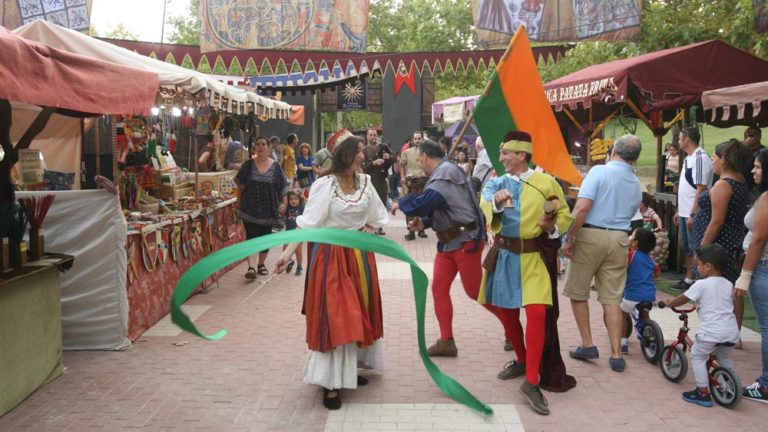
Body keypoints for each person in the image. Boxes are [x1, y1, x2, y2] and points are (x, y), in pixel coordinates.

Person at [274, 135, 389, 410]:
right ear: (344, 154)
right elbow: (309, 224)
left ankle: (347, 372)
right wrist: (288, 254)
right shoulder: (325, 185)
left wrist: (370, 230)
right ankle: (330, 383)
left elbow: (376, 216)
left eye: (363, 151)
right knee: (337, 315)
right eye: (358, 151)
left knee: (359, 312)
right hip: (331, 257)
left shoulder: (366, 183)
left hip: (360, 257)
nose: (363, 156)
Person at [479, 130, 576, 415]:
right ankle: (522, 359)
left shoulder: (547, 183)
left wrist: (551, 227)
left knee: (536, 314)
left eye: (506, 153)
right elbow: (485, 204)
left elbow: (563, 217)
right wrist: (496, 201)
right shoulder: (495, 183)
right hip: (505, 258)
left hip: (533, 258)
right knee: (507, 313)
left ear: (522, 155)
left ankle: (531, 381)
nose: (501, 158)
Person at [562, 134, 643, 373]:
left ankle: (588, 343)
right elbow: (632, 213)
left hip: (591, 235)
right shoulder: (635, 182)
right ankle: (616, 353)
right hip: (619, 237)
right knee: (612, 298)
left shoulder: (599, 172)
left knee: (578, 291)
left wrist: (569, 236)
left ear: (613, 150)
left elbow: (582, 207)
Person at [661, 244, 740, 408]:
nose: (697, 268)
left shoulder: (701, 285)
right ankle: (730, 381)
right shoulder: (728, 283)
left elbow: (683, 299)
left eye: (698, 265)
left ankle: (702, 392)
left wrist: (670, 303)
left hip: (712, 333)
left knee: (698, 356)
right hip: (731, 332)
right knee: (723, 356)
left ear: (708, 267)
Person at [691, 140, 750, 336]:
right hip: (732, 240)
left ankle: (714, 331)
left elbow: (717, 221)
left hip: (718, 245)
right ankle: (735, 333)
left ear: (724, 159)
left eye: (714, 157)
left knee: (713, 290)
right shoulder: (740, 180)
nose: (712, 161)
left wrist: (702, 249)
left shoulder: (723, 185)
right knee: (732, 289)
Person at [734, 147, 768, 403]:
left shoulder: (766, 199)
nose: (753, 170)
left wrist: (745, 275)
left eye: (757, 166)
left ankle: (765, 385)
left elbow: (758, 240)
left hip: (763, 267)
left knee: (766, 327)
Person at [235, 136, 288, 280]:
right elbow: (239, 185)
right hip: (249, 208)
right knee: (252, 237)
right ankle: (251, 268)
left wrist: (284, 202)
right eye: (258, 144)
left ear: (269, 147)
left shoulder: (276, 166)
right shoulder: (248, 165)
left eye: (263, 144)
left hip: (269, 209)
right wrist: (238, 203)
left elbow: (283, 186)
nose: (260, 147)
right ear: (254, 148)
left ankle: (261, 264)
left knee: (265, 238)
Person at [673, 127, 713, 291]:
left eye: (680, 138)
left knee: (696, 245)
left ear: (687, 139)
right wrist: (679, 210)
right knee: (686, 246)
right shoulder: (688, 158)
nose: (678, 141)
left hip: (693, 211)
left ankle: (699, 278)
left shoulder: (700, 157)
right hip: (684, 210)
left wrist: (693, 213)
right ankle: (689, 277)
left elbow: (701, 187)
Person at [620, 228, 660, 354]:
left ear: (635, 243)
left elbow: (622, 268)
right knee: (645, 314)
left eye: (632, 235)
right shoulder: (651, 259)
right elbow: (657, 273)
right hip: (649, 295)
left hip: (632, 294)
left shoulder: (631, 255)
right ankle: (648, 332)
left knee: (623, 315)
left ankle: (623, 343)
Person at [363, 128, 392, 234]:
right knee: (369, 203)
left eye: (374, 135)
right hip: (369, 179)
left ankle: (380, 226)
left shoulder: (383, 147)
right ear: (367, 136)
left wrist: (388, 158)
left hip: (381, 179)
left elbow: (390, 163)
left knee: (382, 202)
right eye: (370, 135)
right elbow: (363, 168)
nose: (373, 137)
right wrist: (373, 163)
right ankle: (369, 226)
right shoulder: (364, 150)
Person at [400, 131, 428, 240]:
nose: (417, 141)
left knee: (423, 206)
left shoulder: (427, 152)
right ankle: (411, 232)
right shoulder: (407, 152)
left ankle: (421, 230)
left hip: (423, 182)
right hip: (411, 183)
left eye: (419, 138)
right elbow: (402, 165)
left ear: (422, 139)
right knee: (409, 207)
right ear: (413, 140)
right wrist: (402, 177)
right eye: (415, 139)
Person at [281, 190, 305, 276]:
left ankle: (299, 267)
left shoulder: (302, 207)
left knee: (298, 251)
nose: (293, 201)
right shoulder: (288, 207)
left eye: (295, 199)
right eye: (291, 199)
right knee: (285, 250)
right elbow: (281, 212)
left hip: (299, 233)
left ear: (299, 199)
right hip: (288, 233)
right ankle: (290, 261)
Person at [744, 126, 766, 202]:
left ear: (759, 137)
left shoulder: (763, 152)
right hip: (745, 186)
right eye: (746, 135)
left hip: (758, 188)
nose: (748, 138)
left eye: (751, 135)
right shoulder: (744, 150)